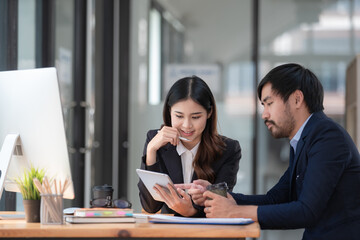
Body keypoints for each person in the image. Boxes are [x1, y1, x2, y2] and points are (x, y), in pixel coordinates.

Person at [196, 63, 360, 239]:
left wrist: (235, 212)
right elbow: (275, 198)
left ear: (297, 99)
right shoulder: (305, 139)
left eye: (269, 103)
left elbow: (307, 211)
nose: (264, 114)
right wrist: (216, 193)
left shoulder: (327, 137)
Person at [137, 75, 241, 217]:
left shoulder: (228, 149)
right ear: (169, 112)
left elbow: (222, 207)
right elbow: (150, 207)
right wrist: (151, 151)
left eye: (196, 117)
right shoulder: (156, 141)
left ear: (209, 113)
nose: (187, 125)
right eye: (179, 116)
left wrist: (191, 212)